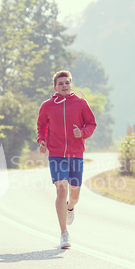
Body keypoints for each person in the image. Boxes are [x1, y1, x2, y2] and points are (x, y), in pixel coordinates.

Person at [36, 71, 97, 249]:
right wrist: (42, 140)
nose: (64, 85)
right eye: (61, 83)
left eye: (67, 83)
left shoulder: (81, 103)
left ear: (71, 85)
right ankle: (64, 233)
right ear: (55, 87)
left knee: (75, 194)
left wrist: (83, 133)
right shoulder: (47, 105)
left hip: (76, 154)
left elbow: (91, 124)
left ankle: (70, 208)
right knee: (62, 190)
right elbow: (41, 125)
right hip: (56, 154)